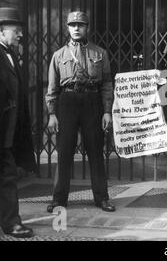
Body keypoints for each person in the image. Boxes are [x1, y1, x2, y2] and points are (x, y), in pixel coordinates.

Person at [45, 11, 115, 213]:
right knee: (65, 152)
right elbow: (52, 88)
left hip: (92, 102)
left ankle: (101, 198)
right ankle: (59, 200)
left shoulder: (100, 53)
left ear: (87, 28)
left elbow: (107, 84)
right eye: (72, 25)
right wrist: (52, 113)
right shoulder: (59, 55)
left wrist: (107, 111)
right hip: (67, 102)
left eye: (80, 25)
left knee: (95, 151)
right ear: (67, 28)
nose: (76, 28)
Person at [0, 7, 37, 238]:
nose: (21, 34)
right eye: (17, 30)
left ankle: (11, 221)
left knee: (7, 175)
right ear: (2, 31)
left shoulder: (10, 54)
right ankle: (11, 222)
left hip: (7, 131)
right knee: (7, 176)